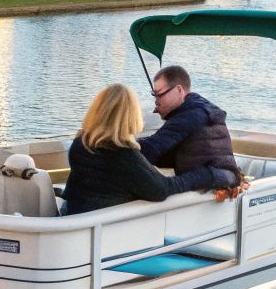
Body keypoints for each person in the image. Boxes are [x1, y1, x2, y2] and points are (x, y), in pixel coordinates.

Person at [62, 84, 204, 215]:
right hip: (108, 229)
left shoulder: (81, 143)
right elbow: (161, 189)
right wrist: (201, 176)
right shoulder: (122, 155)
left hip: (75, 214)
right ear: (131, 115)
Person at [138, 64, 247, 198]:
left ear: (179, 90)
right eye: (154, 96)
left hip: (215, 175)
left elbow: (152, 149)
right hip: (221, 174)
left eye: (159, 95)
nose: (156, 102)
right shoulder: (196, 109)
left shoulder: (191, 114)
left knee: (164, 187)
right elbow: (161, 153)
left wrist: (119, 146)